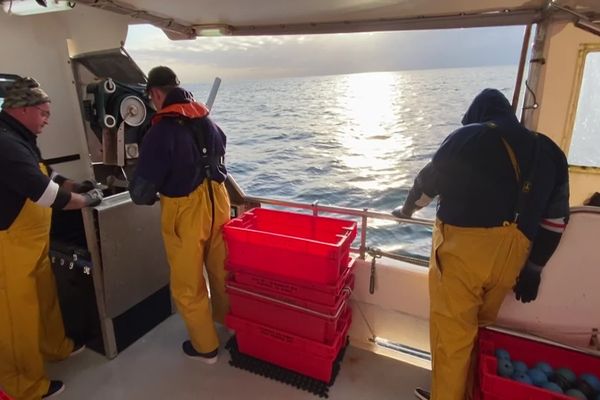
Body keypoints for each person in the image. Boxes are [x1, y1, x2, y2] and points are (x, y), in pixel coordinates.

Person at [392, 89, 569, 400]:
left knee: (453, 338)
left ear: (478, 115)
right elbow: (555, 222)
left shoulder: (468, 137)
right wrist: (534, 269)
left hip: (464, 256)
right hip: (512, 261)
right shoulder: (550, 152)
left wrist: (406, 211)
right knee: (480, 331)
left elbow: (425, 185)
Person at [0, 77, 104, 400]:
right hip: (10, 246)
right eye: (43, 113)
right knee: (17, 316)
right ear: (23, 109)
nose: (47, 119)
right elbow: (46, 194)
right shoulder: (5, 143)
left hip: (33, 244)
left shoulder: (22, 137)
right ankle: (24, 385)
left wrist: (77, 185)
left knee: (45, 299)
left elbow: (47, 174)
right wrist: (87, 202)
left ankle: (54, 347)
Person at [129, 66, 230, 363]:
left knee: (188, 283)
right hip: (218, 201)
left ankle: (205, 347)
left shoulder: (160, 131)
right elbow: (221, 146)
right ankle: (226, 324)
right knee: (221, 270)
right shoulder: (206, 120)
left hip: (185, 211)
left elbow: (141, 191)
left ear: (156, 94)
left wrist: (148, 196)